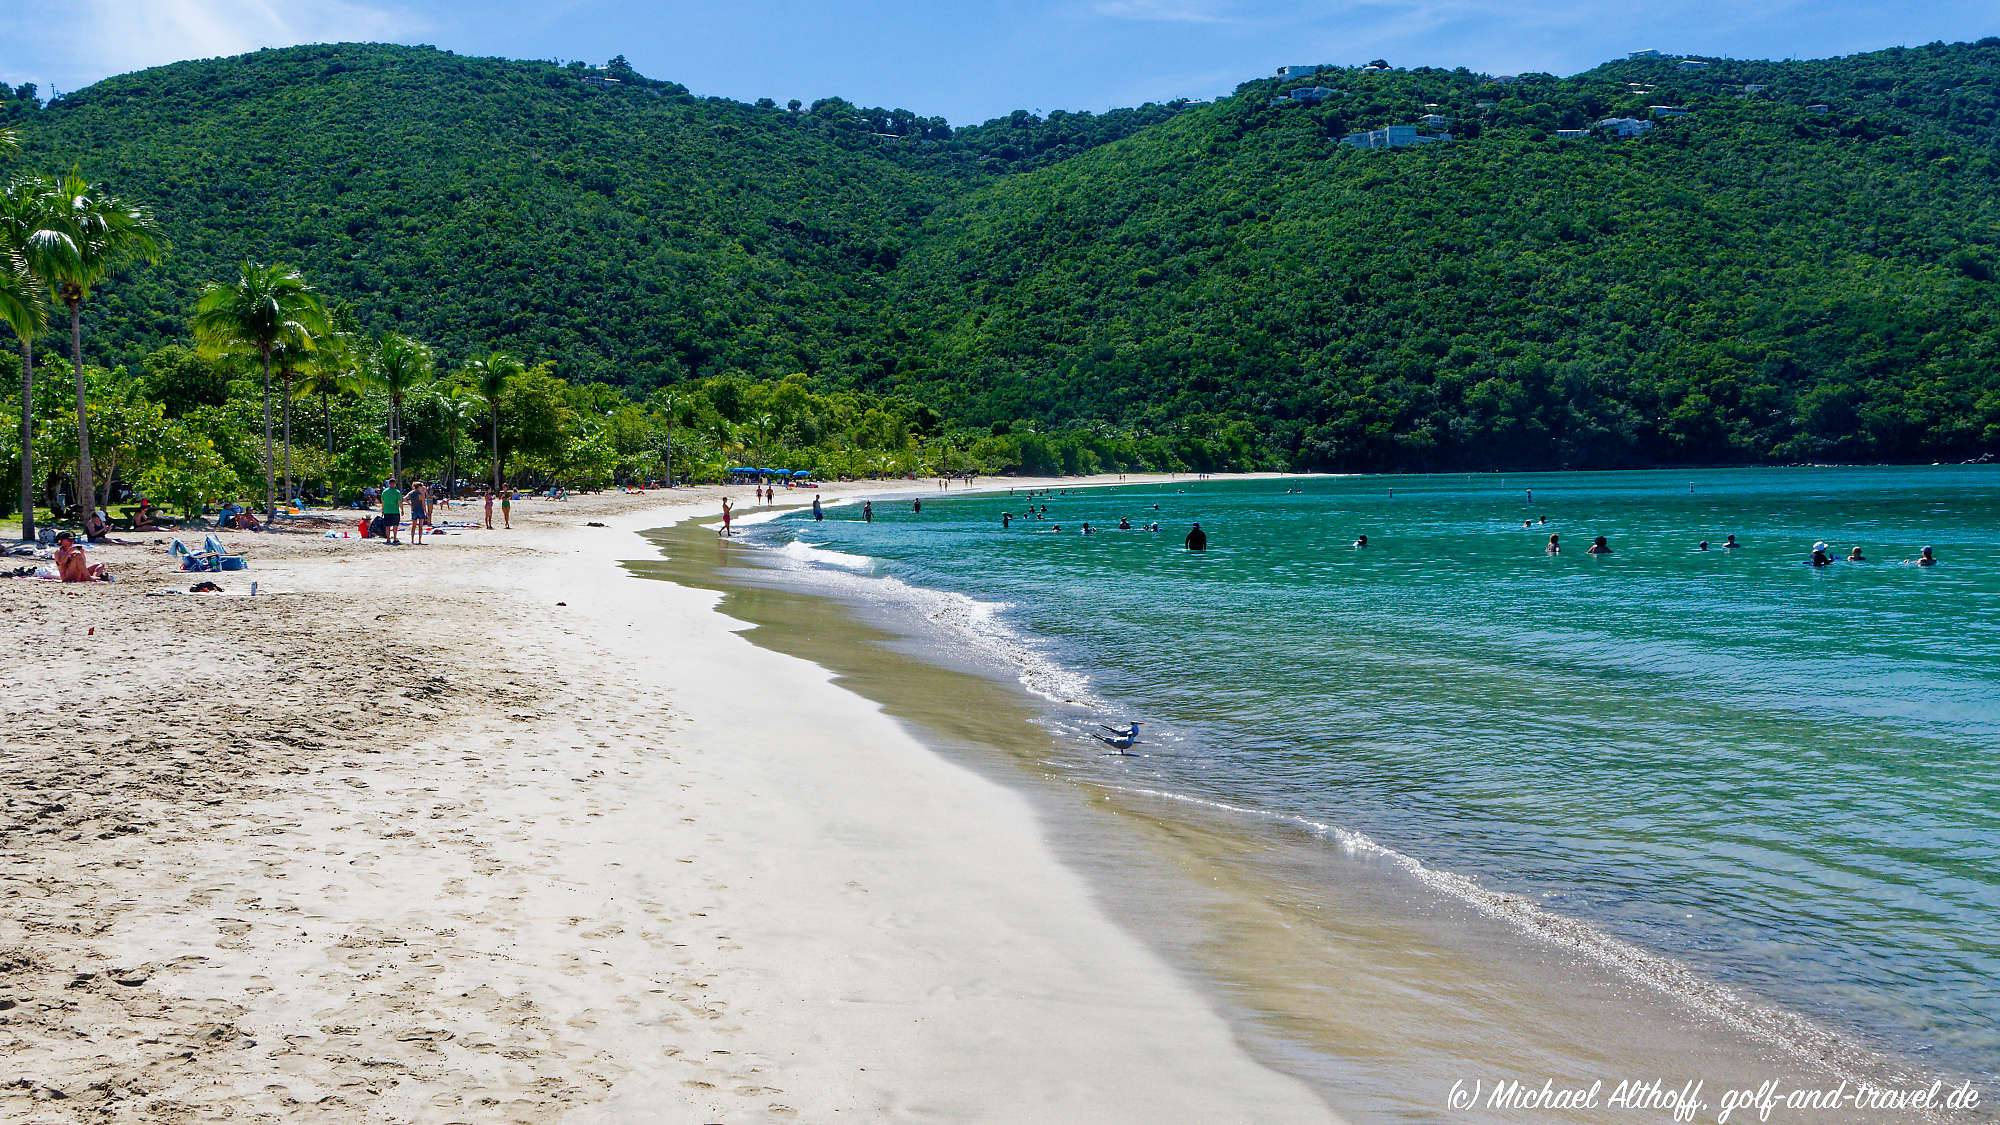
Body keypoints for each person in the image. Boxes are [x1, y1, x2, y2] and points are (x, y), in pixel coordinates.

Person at [380, 478, 403, 544]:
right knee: (395, 525)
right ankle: (395, 538)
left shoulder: (384, 492)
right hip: (395, 511)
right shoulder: (397, 492)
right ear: (395, 484)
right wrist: (402, 510)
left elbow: (383, 502)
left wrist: (382, 510)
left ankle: (388, 539)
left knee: (387, 526)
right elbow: (399, 502)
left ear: (389, 483)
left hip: (387, 511)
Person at [408, 481, 429, 545]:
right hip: (420, 510)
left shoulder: (411, 493)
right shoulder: (421, 494)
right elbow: (423, 504)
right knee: (420, 526)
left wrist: (410, 504)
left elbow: (404, 498)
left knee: (413, 526)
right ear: (419, 487)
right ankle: (419, 540)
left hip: (414, 510)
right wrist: (426, 512)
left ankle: (412, 540)